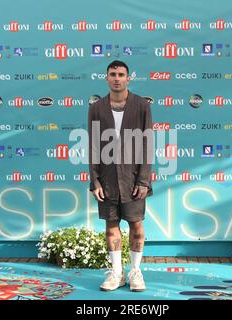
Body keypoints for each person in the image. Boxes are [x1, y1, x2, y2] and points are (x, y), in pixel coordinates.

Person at [88, 60, 153, 292]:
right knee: (111, 227)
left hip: (134, 178)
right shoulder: (96, 108)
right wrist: (94, 181)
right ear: (106, 78)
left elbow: (147, 144)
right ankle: (117, 272)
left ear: (128, 78)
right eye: (112, 74)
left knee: (137, 227)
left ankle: (135, 271)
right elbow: (94, 146)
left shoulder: (142, 105)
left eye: (121, 74)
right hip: (107, 178)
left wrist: (144, 179)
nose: (117, 78)